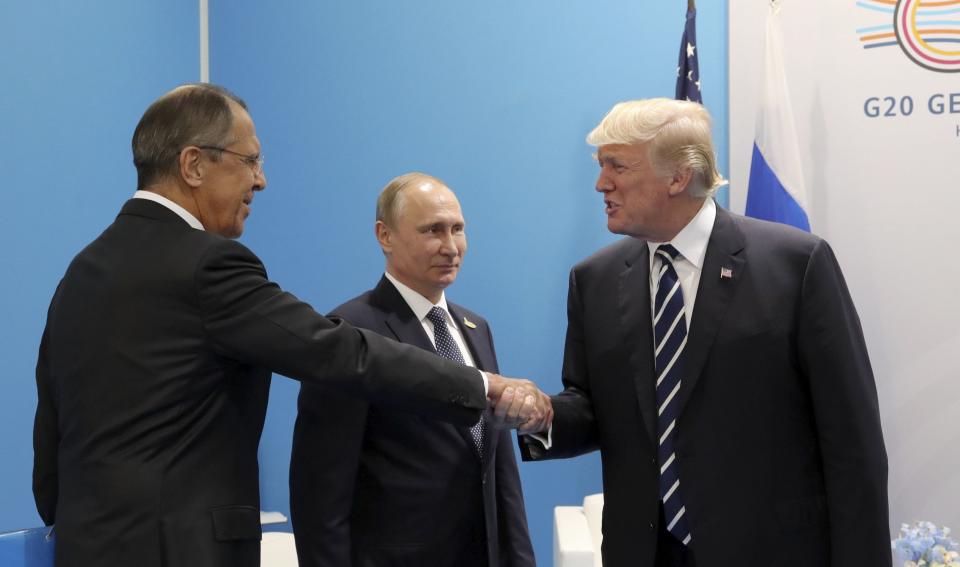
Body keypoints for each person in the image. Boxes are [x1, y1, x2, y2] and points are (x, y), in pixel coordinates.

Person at [32, 84, 545, 567]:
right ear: (193, 164)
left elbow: (50, 434)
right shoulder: (210, 265)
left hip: (87, 545)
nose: (260, 179)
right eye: (249, 160)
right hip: (182, 550)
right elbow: (337, 352)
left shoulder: (82, 270)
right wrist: (481, 385)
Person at [519, 98, 890, 567]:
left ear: (677, 177)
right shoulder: (593, 281)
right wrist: (542, 417)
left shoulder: (795, 265)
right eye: (600, 165)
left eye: (616, 166)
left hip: (769, 550)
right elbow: (595, 408)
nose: (601, 183)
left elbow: (852, 442)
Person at [290, 173, 536, 567]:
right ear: (384, 236)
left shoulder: (476, 327)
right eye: (432, 231)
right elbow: (320, 491)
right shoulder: (350, 332)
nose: (451, 247)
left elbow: (498, 466)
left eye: (458, 229)